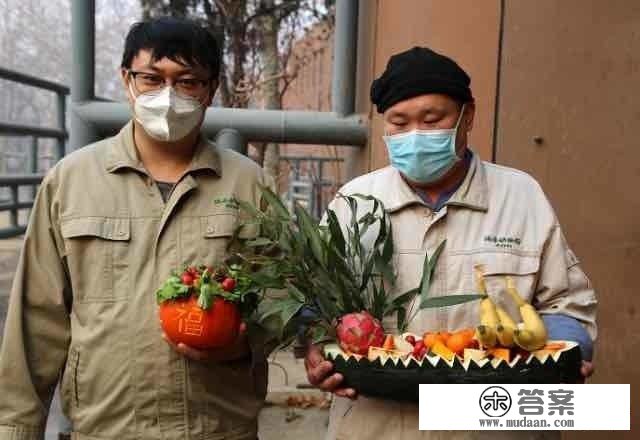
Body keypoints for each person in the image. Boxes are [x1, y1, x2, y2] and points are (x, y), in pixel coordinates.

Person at [304, 47, 597, 440]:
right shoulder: (354, 203)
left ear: (467, 116)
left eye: (431, 119)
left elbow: (566, 305)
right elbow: (316, 303)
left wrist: (567, 352)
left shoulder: (521, 196)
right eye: (399, 123)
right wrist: (315, 349)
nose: (416, 136)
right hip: (378, 427)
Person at [0, 17, 269, 440]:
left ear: (211, 88)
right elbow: (37, 320)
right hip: (106, 426)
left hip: (216, 427)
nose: (168, 96)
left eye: (188, 81)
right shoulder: (71, 181)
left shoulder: (249, 184)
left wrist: (243, 341)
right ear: (126, 80)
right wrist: (16, 428)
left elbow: (281, 301)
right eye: (151, 78)